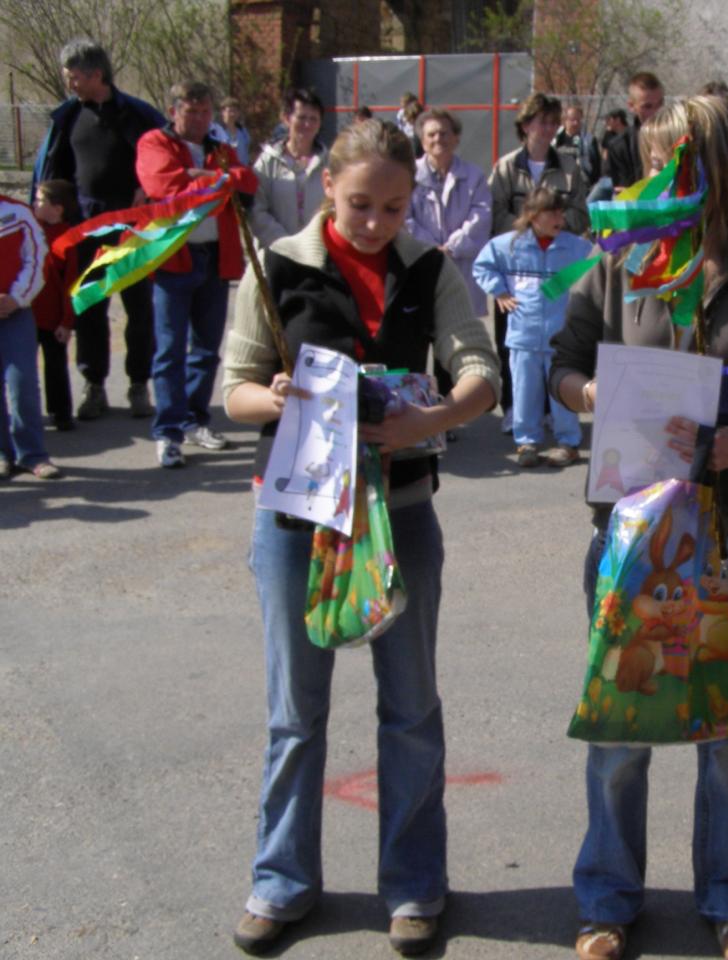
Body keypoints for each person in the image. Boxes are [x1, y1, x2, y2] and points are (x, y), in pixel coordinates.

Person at [221, 118, 500, 957]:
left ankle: (413, 886)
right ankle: (281, 881)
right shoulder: (277, 266)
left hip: (401, 511)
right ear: (326, 191)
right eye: (359, 204)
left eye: (393, 206)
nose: (376, 222)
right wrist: (274, 398)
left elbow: (479, 372)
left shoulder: (430, 268)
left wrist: (432, 418)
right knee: (294, 713)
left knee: (410, 708)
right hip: (296, 519)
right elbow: (233, 390)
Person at [550, 94, 728, 960]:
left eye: (674, 161)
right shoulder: (621, 261)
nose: (656, 178)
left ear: (719, 166)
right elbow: (563, 362)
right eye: (651, 160)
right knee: (621, 728)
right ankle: (606, 901)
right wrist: (594, 395)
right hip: (629, 533)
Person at [32, 38, 164, 421]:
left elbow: (165, 158)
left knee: (139, 310)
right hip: (86, 230)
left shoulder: (138, 114)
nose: (69, 83)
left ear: (96, 74)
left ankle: (139, 383)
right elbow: (53, 174)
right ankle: (94, 385)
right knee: (90, 308)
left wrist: (147, 187)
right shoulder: (67, 118)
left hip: (134, 230)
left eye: (74, 76)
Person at [135, 80, 258, 469]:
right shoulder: (154, 142)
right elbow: (163, 185)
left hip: (215, 258)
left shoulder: (219, 149)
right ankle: (168, 431)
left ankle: (194, 420)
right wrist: (215, 179)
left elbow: (247, 180)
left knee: (206, 349)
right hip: (174, 259)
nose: (201, 119)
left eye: (206, 112)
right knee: (169, 349)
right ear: (174, 111)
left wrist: (200, 174)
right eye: (192, 111)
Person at [489, 91, 589, 429]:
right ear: (525, 125)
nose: (547, 129)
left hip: (556, 266)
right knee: (513, 342)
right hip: (516, 268)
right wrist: (528, 231)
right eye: (540, 122)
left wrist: (555, 228)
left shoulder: (570, 168)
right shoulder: (505, 167)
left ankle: (549, 409)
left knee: (553, 340)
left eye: (552, 122)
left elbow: (581, 212)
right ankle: (513, 408)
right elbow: (495, 213)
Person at [473, 187, 592, 468]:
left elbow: (599, 264)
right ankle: (527, 442)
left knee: (562, 391)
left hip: (561, 338)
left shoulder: (575, 246)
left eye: (561, 212)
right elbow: (482, 266)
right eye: (553, 213)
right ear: (533, 215)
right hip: (522, 335)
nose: (560, 219)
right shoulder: (508, 245)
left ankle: (568, 443)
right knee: (524, 391)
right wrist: (499, 291)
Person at [406, 107, 493, 403]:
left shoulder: (474, 176)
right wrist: (431, 248)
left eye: (444, 133)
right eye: (431, 134)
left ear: (456, 138)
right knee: (415, 345)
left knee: (453, 346)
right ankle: (416, 410)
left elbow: (481, 218)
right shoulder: (408, 175)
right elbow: (404, 219)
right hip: (418, 267)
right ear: (422, 139)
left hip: (459, 270)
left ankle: (448, 413)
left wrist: (451, 247)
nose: (438, 139)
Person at [0, 193, 61, 480]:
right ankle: (2, 454)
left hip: (16, 312)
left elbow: (37, 258)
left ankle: (32, 455)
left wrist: (16, 298)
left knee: (22, 381)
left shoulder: (18, 213)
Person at [250, 88, 327, 249]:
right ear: (286, 119)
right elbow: (257, 210)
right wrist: (287, 245)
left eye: (313, 119)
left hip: (317, 249)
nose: (307, 124)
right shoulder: (267, 162)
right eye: (301, 117)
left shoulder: (330, 163)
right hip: (276, 250)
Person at [31, 179, 80, 432]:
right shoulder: (30, 228)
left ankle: (61, 413)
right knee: (24, 369)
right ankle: (28, 413)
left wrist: (67, 321)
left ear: (57, 208)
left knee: (55, 366)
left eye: (40, 200)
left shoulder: (67, 238)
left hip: (53, 318)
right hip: (26, 314)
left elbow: (71, 284)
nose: (34, 204)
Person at [605, 72, 665, 192]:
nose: (656, 112)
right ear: (632, 106)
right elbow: (622, 193)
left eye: (660, 104)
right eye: (647, 106)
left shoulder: (678, 137)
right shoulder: (620, 146)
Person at [555, 104, 602, 185]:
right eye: (572, 120)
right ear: (565, 120)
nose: (576, 123)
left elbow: (597, 166)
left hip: (583, 183)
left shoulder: (589, 140)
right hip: (559, 182)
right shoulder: (555, 139)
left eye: (578, 120)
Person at [211, 97, 252, 166]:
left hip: (243, 168)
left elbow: (247, 151)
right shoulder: (217, 131)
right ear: (223, 112)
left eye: (235, 111)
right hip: (225, 169)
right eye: (230, 111)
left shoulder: (243, 131)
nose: (232, 114)